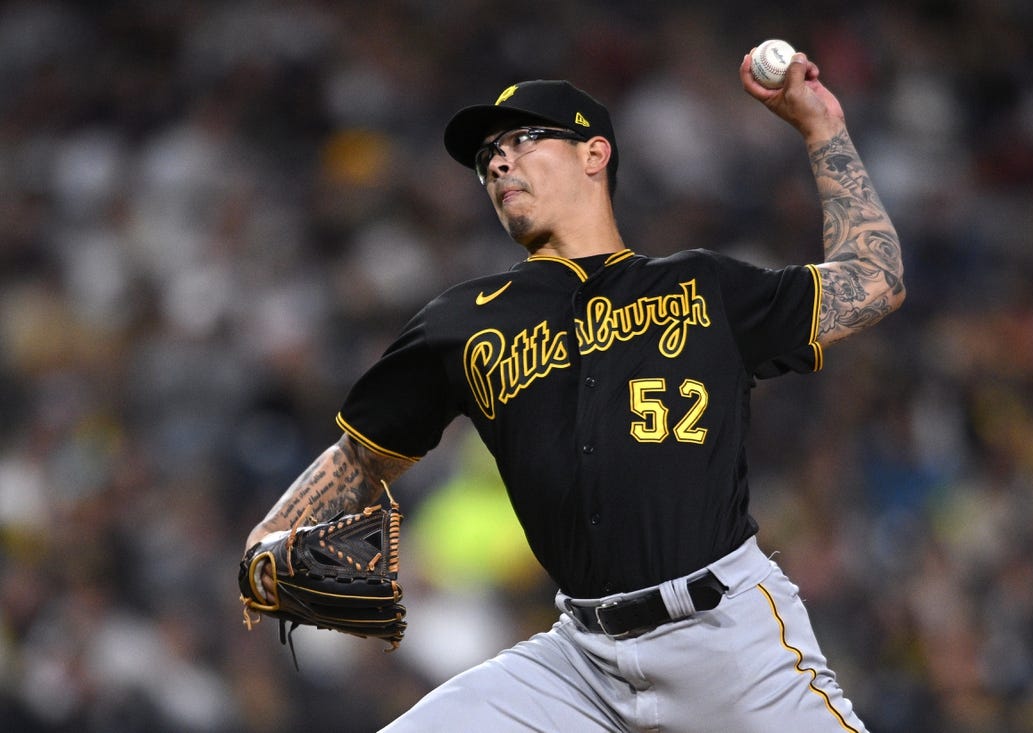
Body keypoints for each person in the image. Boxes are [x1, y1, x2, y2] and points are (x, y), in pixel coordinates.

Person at [243, 49, 905, 732]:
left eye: (523, 139)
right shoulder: (463, 322)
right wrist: (270, 535)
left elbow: (874, 281)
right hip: (579, 664)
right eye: (487, 157)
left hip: (726, 640)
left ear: (595, 153)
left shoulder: (703, 287)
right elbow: (361, 457)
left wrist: (822, 128)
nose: (498, 162)